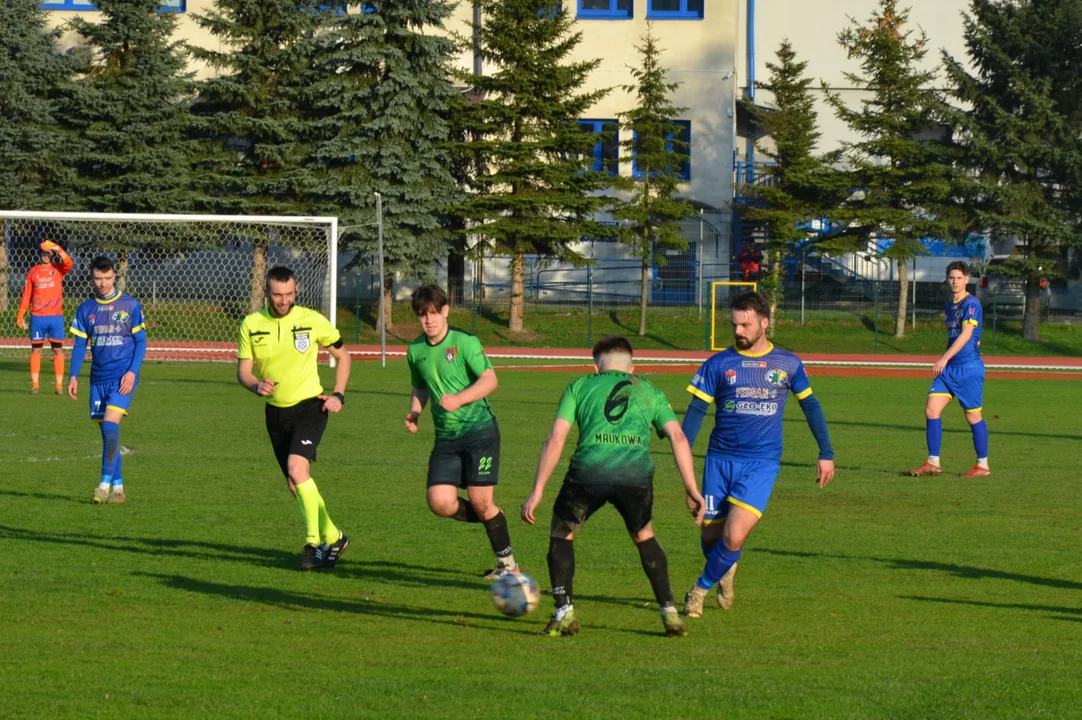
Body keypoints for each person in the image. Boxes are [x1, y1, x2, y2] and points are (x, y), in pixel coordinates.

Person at [521, 336, 706, 638]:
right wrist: (691, 488)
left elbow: (556, 437)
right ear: (632, 367)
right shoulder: (650, 390)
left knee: (561, 531)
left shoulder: (579, 386)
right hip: (635, 475)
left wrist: (537, 489)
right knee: (644, 535)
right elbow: (679, 438)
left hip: (589, 472)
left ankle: (564, 613)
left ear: (596, 366)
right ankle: (670, 613)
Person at [680, 291, 835, 618]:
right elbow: (695, 411)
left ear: (764, 323)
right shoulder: (718, 363)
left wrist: (826, 452)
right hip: (719, 461)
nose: (738, 330)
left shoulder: (787, 363)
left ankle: (699, 590)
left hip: (761, 463)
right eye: (735, 324)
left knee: (733, 536)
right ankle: (725, 570)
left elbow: (811, 405)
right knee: (711, 538)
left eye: (745, 324)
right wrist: (683, 457)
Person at [237, 266, 352, 571]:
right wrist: (254, 385)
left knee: (296, 468)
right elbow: (244, 371)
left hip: (310, 407)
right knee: (295, 482)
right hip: (275, 412)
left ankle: (313, 542)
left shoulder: (312, 320)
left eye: (288, 294)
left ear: (296, 290)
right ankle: (335, 536)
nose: (283, 300)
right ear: (266, 293)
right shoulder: (251, 324)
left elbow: (344, 356)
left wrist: (338, 394)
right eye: (277, 295)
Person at [405, 284, 519, 580]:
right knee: (440, 503)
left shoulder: (465, 342)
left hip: (480, 432)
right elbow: (420, 385)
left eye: (433, 313)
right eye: (422, 315)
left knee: (481, 502)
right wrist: (415, 412)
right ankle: (493, 517)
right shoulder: (415, 350)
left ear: (445, 310)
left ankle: (508, 565)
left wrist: (459, 399)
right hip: (446, 438)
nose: (429, 320)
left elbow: (490, 380)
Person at [68, 256, 147, 505]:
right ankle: (119, 489)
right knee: (109, 434)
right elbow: (80, 344)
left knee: (111, 425)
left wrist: (132, 371)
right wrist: (73, 375)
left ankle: (102, 486)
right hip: (98, 379)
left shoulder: (130, 305)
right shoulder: (86, 308)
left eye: (107, 278)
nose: (103, 283)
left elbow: (141, 342)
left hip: (123, 377)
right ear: (92, 278)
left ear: (115, 276)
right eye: (98, 278)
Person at [909, 261, 990, 478]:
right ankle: (933, 462)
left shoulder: (971, 303)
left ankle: (982, 465)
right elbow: (961, 336)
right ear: (947, 279)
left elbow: (966, 335)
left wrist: (944, 358)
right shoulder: (950, 305)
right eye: (951, 277)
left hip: (967, 369)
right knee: (931, 409)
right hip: (949, 370)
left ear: (966, 279)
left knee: (973, 417)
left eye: (959, 278)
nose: (955, 281)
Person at [17, 240, 74, 394]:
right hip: (37, 317)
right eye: (43, 253)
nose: (46, 256)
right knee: (36, 349)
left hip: (55, 317)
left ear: (52, 255)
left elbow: (69, 263)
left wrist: (57, 247)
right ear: (39, 254)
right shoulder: (33, 271)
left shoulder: (58, 269)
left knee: (58, 350)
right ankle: (35, 385)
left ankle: (59, 386)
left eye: (49, 253)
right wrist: (20, 315)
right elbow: (27, 294)